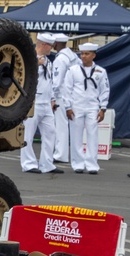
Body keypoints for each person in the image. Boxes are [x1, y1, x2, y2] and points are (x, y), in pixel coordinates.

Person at [62, 43, 109, 174]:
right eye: (82, 54)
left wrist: (103, 108)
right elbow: (67, 89)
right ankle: (78, 163)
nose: (84, 56)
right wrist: (68, 107)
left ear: (93, 55)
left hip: (92, 106)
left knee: (92, 136)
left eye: (87, 54)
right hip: (76, 105)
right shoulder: (73, 70)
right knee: (76, 135)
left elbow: (104, 90)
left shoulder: (100, 71)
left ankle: (92, 164)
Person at [20, 35, 58, 175]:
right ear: (42, 44)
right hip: (33, 101)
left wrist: (53, 99)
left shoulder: (48, 62)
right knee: (28, 134)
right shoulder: (29, 59)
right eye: (50, 45)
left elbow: (50, 82)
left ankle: (47, 164)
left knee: (50, 132)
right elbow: (23, 76)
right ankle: (28, 164)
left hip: (46, 102)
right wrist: (36, 65)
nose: (52, 48)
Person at [51, 35, 77, 164]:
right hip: (73, 95)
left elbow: (57, 81)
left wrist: (53, 98)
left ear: (56, 43)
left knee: (60, 126)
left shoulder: (60, 59)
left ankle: (60, 154)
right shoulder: (73, 56)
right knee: (71, 126)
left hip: (61, 96)